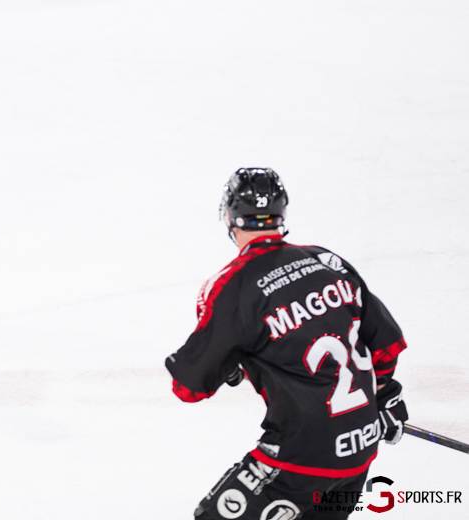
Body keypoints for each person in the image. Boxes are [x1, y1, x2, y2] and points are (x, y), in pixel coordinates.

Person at [165, 168, 408, 520]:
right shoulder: (328, 262)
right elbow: (385, 347)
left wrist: (230, 363)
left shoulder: (233, 287)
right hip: (360, 451)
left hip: (299, 459)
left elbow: (188, 387)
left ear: (229, 217)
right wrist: (384, 395)